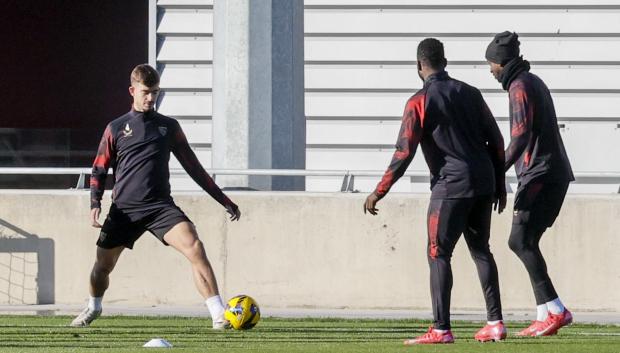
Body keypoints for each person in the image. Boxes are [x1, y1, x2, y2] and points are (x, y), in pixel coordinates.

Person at [70, 64, 240, 329]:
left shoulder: (169, 127)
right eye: (146, 92)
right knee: (102, 267)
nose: (151, 98)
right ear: (133, 90)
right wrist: (95, 203)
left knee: (195, 246)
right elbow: (99, 167)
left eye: (156, 93)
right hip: (124, 210)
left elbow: (194, 168)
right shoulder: (116, 128)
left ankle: (218, 313)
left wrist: (224, 200)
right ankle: (93, 306)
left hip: (160, 208)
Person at [364, 38, 507, 344]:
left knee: (438, 253)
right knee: (481, 250)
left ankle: (441, 329)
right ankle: (495, 322)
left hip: (450, 187)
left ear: (419, 66)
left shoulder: (420, 100)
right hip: (483, 183)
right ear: (445, 61)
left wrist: (379, 191)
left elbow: (404, 152)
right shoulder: (471, 93)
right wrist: (500, 184)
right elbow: (496, 140)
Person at [486, 31, 575, 337]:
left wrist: (496, 171)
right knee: (527, 242)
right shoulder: (532, 81)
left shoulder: (519, 87)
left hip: (541, 174)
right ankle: (544, 314)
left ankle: (557, 309)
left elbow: (520, 136)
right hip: (552, 173)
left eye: (492, 64)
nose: (490, 70)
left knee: (518, 240)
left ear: (502, 62)